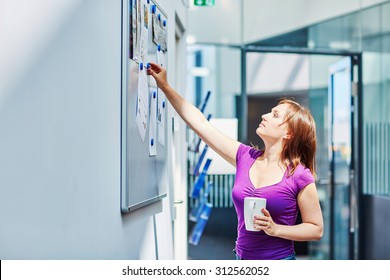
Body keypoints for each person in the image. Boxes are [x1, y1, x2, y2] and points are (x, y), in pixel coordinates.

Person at [147, 62, 323, 260]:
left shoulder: (298, 175)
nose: (264, 115)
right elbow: (201, 124)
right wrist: (165, 86)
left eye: (274, 115)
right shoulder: (245, 157)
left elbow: (316, 229)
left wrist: (276, 229)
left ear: (289, 133)